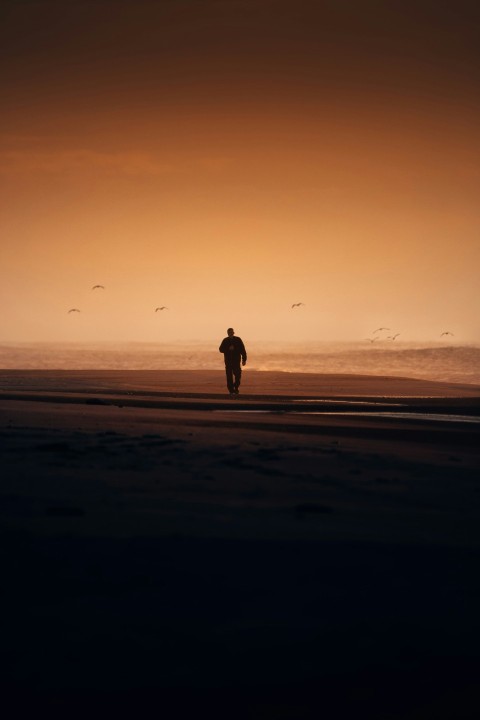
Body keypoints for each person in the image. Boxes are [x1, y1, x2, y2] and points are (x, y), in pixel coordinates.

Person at [219, 328, 247, 396]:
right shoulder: (225, 340)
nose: (230, 333)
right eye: (229, 332)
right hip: (228, 362)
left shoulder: (238, 339)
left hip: (236, 361)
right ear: (227, 333)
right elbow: (221, 349)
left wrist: (244, 359)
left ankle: (236, 387)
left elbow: (243, 350)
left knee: (238, 375)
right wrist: (228, 349)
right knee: (229, 377)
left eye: (231, 332)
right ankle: (231, 390)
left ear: (233, 332)